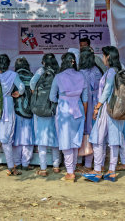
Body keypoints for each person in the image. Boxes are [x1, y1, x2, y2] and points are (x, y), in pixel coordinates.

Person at [83, 46, 125, 183]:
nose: (102, 59)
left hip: (107, 109)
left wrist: (97, 107)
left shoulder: (111, 72)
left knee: (98, 138)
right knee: (114, 140)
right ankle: (111, 172)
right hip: (117, 110)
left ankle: (97, 171)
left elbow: (107, 90)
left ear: (108, 57)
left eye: (103, 56)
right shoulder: (119, 71)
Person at [50, 52, 88, 182]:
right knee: (76, 141)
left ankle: (70, 172)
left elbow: (51, 97)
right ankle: (72, 168)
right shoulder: (81, 76)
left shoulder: (58, 77)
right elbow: (85, 98)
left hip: (64, 111)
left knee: (65, 141)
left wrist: (62, 99)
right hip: (78, 110)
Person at [0, 54, 25, 176]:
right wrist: (18, 93)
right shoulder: (13, 75)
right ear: (8, 63)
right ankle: (10, 167)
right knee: (6, 139)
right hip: (7, 107)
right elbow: (22, 87)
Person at [30, 53, 61, 177]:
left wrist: (38, 95)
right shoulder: (58, 72)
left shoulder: (40, 71)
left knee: (41, 139)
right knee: (54, 138)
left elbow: (32, 84)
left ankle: (43, 168)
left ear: (43, 62)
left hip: (40, 108)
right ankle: (56, 166)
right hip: (53, 107)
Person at [78, 47, 103, 172]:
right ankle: (97, 163)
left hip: (85, 107)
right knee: (97, 135)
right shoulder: (98, 71)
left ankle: (86, 164)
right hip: (97, 106)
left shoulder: (80, 74)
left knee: (86, 134)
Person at [13, 57, 35, 171]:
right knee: (28, 138)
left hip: (16, 111)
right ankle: (26, 163)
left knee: (16, 138)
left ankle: (16, 163)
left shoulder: (14, 76)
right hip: (28, 112)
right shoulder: (32, 76)